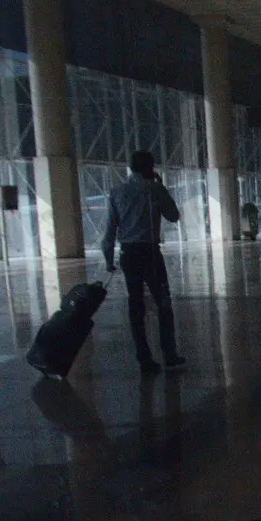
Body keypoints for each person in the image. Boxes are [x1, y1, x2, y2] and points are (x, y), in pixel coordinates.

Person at [101, 150, 185, 375]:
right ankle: (169, 353)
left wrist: (109, 259)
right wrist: (160, 187)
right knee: (163, 303)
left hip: (129, 254)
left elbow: (110, 230)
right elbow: (173, 216)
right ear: (151, 167)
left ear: (131, 167)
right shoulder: (155, 189)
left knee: (136, 305)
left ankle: (144, 357)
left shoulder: (117, 192)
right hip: (150, 253)